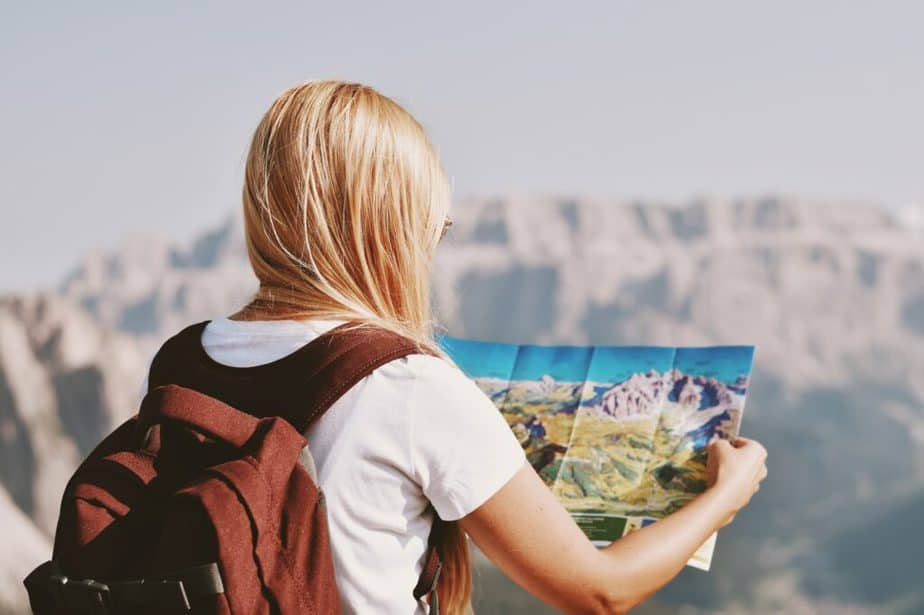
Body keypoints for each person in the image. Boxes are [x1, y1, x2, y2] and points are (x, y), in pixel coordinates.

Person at [141, 80, 768, 614]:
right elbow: (600, 591)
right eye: (432, 227)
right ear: (389, 227)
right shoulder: (405, 386)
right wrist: (724, 496)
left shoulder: (184, 360)